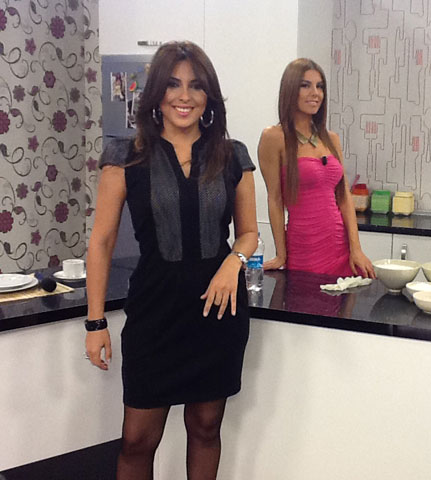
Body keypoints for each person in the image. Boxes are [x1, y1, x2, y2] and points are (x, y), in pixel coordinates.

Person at [85, 41, 258, 479]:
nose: (184, 96)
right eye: (173, 85)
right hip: (154, 313)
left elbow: (249, 233)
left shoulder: (232, 154)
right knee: (136, 440)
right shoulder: (125, 157)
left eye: (196, 86)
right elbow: (101, 242)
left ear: (209, 96)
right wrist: (95, 322)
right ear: (156, 94)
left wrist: (233, 262)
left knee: (205, 428)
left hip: (217, 312)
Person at [258, 58, 375, 278]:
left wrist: (356, 249)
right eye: (306, 85)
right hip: (304, 245)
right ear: (290, 90)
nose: (315, 93)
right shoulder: (273, 137)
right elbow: (274, 199)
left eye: (320, 86)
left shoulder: (331, 139)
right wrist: (281, 254)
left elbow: (343, 196)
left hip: (339, 244)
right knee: (307, 298)